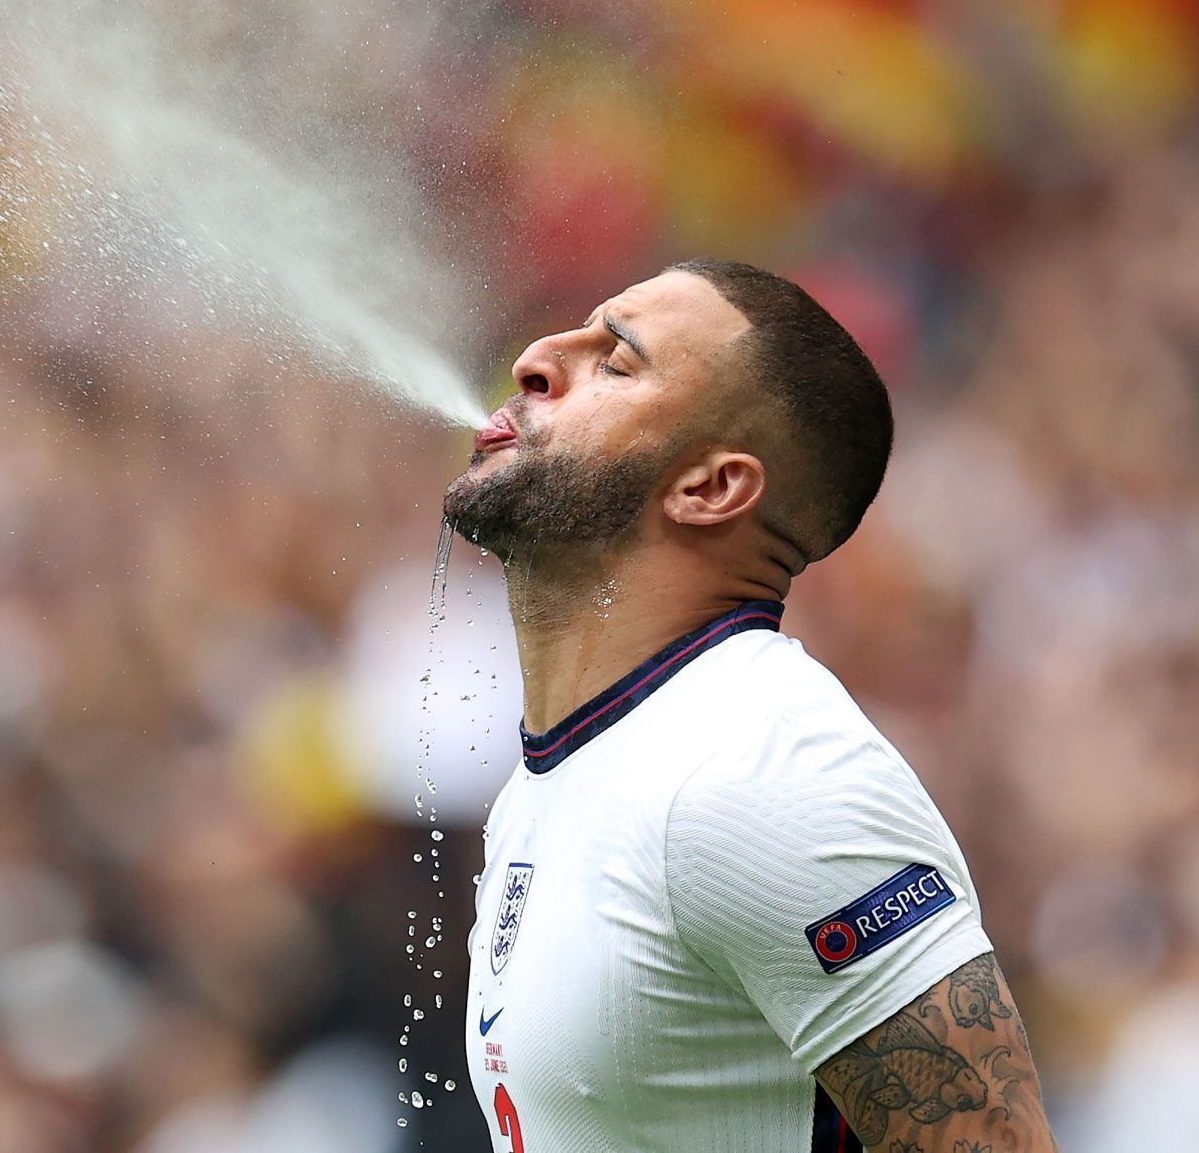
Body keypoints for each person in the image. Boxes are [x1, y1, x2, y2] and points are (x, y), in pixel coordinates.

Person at [447, 260, 1055, 1153]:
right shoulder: (577, 768)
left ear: (711, 488)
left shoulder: (761, 768)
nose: (536, 358)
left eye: (616, 361)